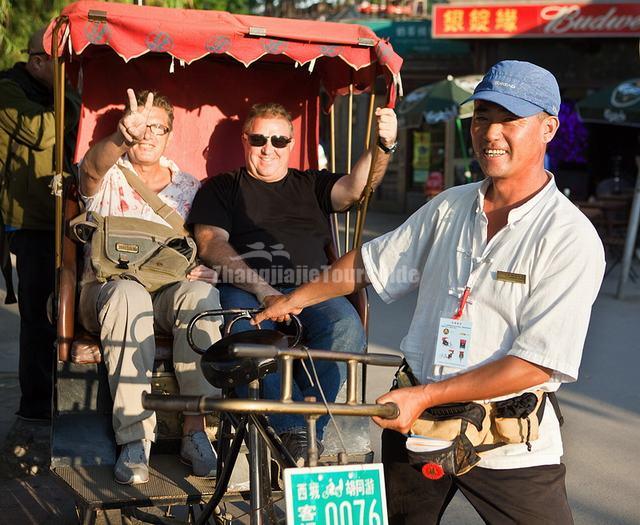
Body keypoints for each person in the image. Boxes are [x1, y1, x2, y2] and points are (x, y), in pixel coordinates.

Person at [253, 60, 605, 523]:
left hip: (509, 445)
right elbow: (367, 263)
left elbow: (537, 361)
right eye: (481, 116)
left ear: (548, 128)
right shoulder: (450, 207)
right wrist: (292, 301)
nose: (491, 133)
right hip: (416, 428)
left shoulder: (568, 237)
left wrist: (425, 396)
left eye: (510, 120)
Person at [188, 102, 398, 463]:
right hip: (248, 289)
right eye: (259, 139)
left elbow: (357, 189)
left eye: (279, 140)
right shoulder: (222, 187)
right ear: (245, 140)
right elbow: (211, 243)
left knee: (347, 328)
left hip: (310, 291)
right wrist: (265, 291)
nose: (268, 148)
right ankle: (294, 434)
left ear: (291, 142)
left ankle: (303, 434)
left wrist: (383, 146)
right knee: (244, 334)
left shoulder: (311, 183)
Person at [79, 88, 222, 485]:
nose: (147, 134)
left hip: (168, 290)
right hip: (109, 287)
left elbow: (207, 242)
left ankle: (195, 430)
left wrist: (209, 269)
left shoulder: (189, 188)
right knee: (129, 296)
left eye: (157, 127)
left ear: (168, 135)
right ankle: (134, 438)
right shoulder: (108, 173)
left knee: (203, 297)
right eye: (140, 125)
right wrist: (120, 138)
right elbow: (90, 171)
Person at [0, 28, 80, 422]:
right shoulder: (9, 91)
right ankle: (35, 408)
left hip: (66, 216)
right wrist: (69, 93)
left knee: (67, 311)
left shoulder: (57, 92)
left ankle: (64, 400)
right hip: (31, 222)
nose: (69, 70)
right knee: (37, 315)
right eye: (61, 62)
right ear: (37, 62)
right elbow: (42, 131)